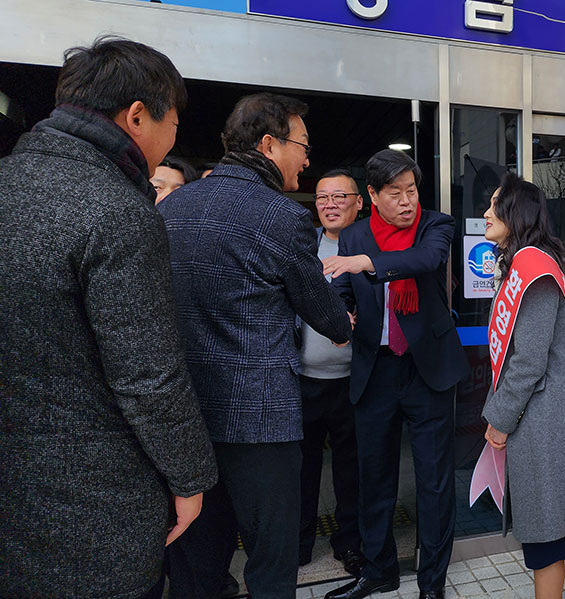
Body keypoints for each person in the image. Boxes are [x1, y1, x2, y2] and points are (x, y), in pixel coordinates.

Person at [0, 37, 217, 599]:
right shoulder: (118, 209)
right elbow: (148, 376)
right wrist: (191, 479)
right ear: (138, 116)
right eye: (174, 124)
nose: (172, 141)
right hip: (94, 509)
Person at [160, 92, 352, 599]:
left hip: (185, 418)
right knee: (271, 561)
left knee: (196, 561)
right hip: (261, 421)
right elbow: (328, 317)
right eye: (302, 146)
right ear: (269, 144)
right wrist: (345, 319)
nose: (307, 159)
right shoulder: (281, 217)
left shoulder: (172, 206)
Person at [324, 149, 469, 599]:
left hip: (428, 372)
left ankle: (432, 584)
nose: (407, 201)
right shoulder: (354, 235)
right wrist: (341, 316)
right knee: (375, 479)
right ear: (372, 194)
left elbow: (425, 261)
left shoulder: (436, 226)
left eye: (412, 191)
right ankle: (378, 570)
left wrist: (369, 263)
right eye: (395, 193)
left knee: (434, 481)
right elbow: (343, 291)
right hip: (376, 369)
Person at [480, 173, 565, 599]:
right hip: (537, 417)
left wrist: (498, 419)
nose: (486, 214)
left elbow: (529, 360)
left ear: (518, 212)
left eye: (495, 205)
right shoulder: (522, 263)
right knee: (545, 537)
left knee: (548, 538)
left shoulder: (533, 268)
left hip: (543, 420)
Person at [298, 168, 365, 576]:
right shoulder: (303, 248)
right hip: (303, 379)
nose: (330, 204)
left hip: (354, 381)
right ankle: (300, 543)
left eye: (341, 196)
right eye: (323, 197)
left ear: (360, 202)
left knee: (351, 470)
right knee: (301, 469)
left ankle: (350, 544)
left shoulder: (372, 250)